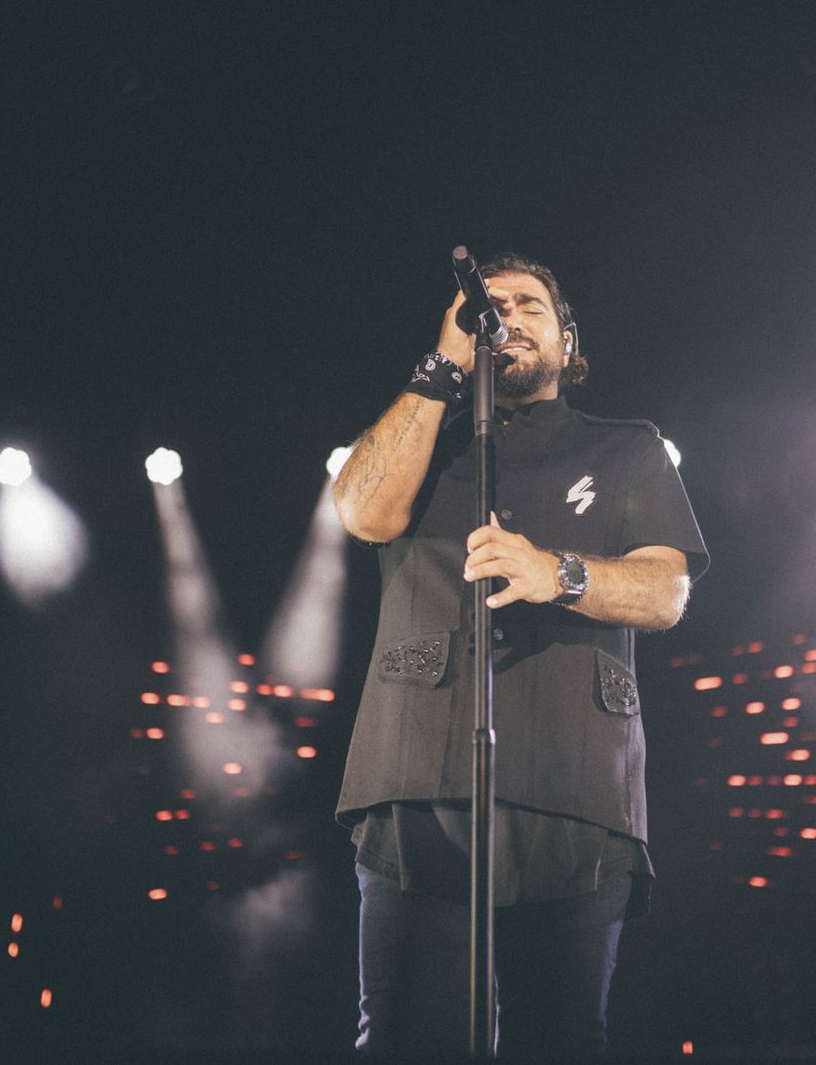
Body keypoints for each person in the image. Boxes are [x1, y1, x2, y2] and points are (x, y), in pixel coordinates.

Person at [332, 252, 708, 1056]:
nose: (504, 313)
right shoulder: (420, 440)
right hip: (418, 778)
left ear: (568, 342)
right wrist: (441, 367)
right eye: (487, 303)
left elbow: (664, 592)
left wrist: (556, 572)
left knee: (561, 1039)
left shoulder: (628, 448)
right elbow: (362, 513)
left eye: (530, 305)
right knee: (401, 1039)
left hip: (575, 786)